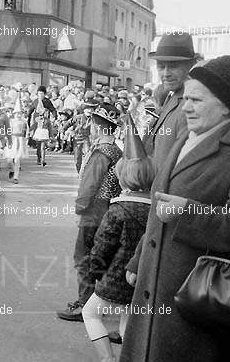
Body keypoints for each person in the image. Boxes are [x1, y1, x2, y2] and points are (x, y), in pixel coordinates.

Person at [121, 56, 230, 362]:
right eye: (185, 98)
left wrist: (189, 212)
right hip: (153, 284)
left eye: (196, 100)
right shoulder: (188, 137)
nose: (185, 106)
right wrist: (137, 261)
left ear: (226, 105)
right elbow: (157, 207)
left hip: (197, 300)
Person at [81, 115, 154, 362]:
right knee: (127, 322)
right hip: (143, 278)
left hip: (114, 277)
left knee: (90, 313)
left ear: (123, 175)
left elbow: (102, 246)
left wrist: (93, 270)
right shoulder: (156, 209)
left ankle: (107, 359)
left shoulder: (118, 209)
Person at [57, 103, 122, 322]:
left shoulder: (101, 152)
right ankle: (97, 304)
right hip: (109, 209)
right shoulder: (116, 150)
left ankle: (86, 306)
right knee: (101, 257)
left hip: (94, 211)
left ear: (97, 125)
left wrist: (80, 208)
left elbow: (89, 184)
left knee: (84, 258)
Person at [142, 32, 196, 167]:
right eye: (161, 66)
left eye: (173, 66)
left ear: (191, 65)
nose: (165, 74)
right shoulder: (172, 96)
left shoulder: (192, 104)